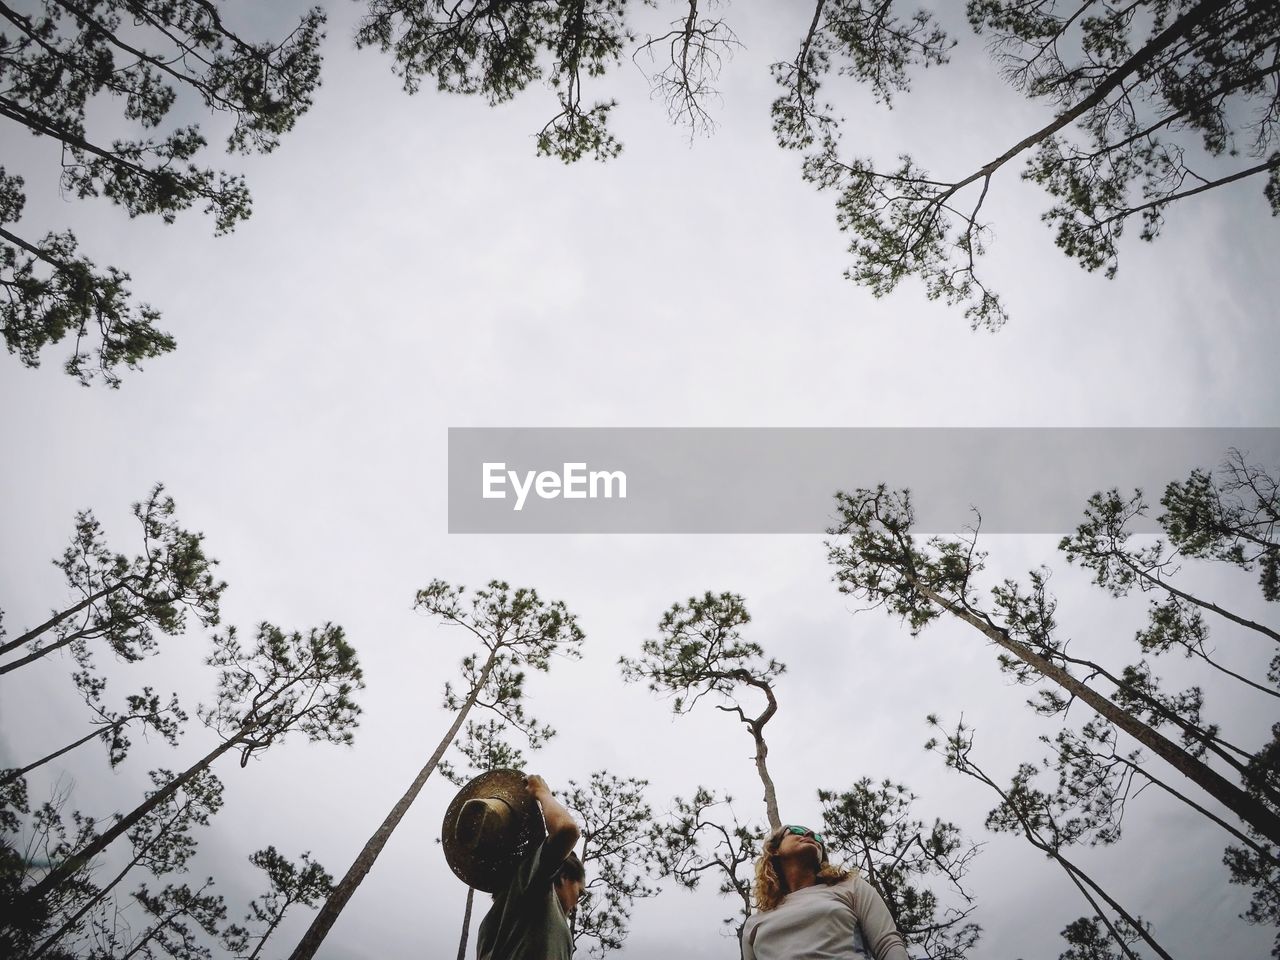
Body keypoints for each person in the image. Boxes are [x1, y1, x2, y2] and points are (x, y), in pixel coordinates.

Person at [740, 823, 910, 960]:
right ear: (775, 850)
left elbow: (887, 943)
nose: (810, 836)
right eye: (797, 831)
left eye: (817, 838)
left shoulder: (850, 887)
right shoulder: (754, 923)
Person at [475, 774, 584, 960]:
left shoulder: (490, 926)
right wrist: (541, 792)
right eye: (579, 893)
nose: (576, 906)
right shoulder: (534, 887)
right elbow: (567, 830)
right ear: (563, 876)